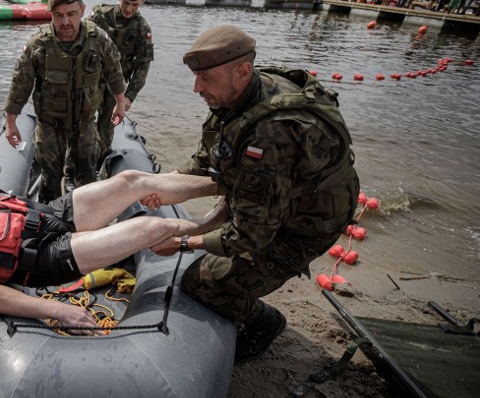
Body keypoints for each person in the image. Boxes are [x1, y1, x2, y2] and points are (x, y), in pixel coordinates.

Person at [154, 25, 359, 362]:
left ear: (242, 70)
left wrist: (184, 241)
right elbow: (211, 156)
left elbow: (249, 235)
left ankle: (265, 322)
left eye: (205, 78)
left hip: (305, 225)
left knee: (200, 281)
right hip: (282, 198)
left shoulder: (271, 134)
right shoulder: (240, 94)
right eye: (196, 77)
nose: (196, 88)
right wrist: (161, 184)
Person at [0, 150, 219, 329]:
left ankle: (224, 184)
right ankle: (206, 225)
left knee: (131, 180)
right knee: (151, 230)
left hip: (40, 214)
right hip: (41, 258)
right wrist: (57, 310)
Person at [4, 0, 126, 202]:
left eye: (71, 14)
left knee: (87, 174)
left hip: (85, 121)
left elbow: (113, 71)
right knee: (49, 176)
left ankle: (87, 223)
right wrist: (11, 121)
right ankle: (49, 221)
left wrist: (120, 102)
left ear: (82, 10)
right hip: (50, 124)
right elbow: (21, 83)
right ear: (50, 14)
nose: (65, 22)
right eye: (58, 15)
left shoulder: (97, 39)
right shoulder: (39, 44)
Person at [90, 0, 154, 164]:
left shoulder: (143, 29)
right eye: (125, 3)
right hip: (91, 80)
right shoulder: (101, 16)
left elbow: (143, 66)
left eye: (134, 4)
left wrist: (129, 96)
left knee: (107, 126)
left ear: (142, 0)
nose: (128, 9)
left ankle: (99, 163)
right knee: (82, 122)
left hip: (115, 86)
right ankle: (73, 168)